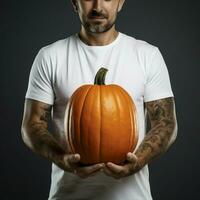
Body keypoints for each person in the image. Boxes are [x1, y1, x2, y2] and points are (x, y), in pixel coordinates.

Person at [21, 0, 178, 199]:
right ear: (74, 3)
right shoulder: (50, 56)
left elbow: (165, 123)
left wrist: (138, 161)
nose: (97, 6)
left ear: (120, 3)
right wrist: (61, 159)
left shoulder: (147, 55)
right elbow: (32, 124)